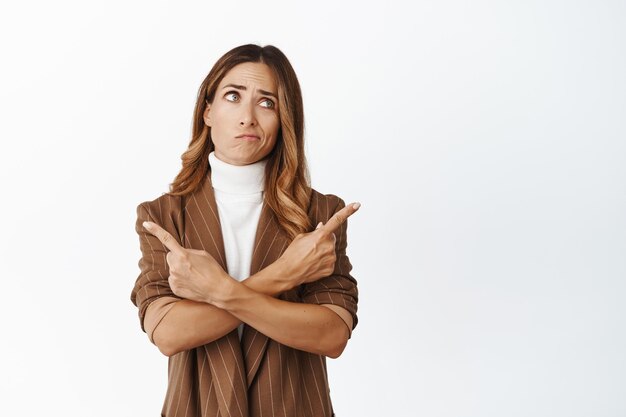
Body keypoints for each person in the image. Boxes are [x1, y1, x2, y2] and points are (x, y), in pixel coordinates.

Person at [130, 44, 360, 417]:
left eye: (266, 102)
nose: (247, 117)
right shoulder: (163, 215)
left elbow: (331, 336)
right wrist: (283, 275)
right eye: (233, 96)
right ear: (207, 111)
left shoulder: (320, 213)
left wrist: (219, 293)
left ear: (285, 118)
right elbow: (169, 333)